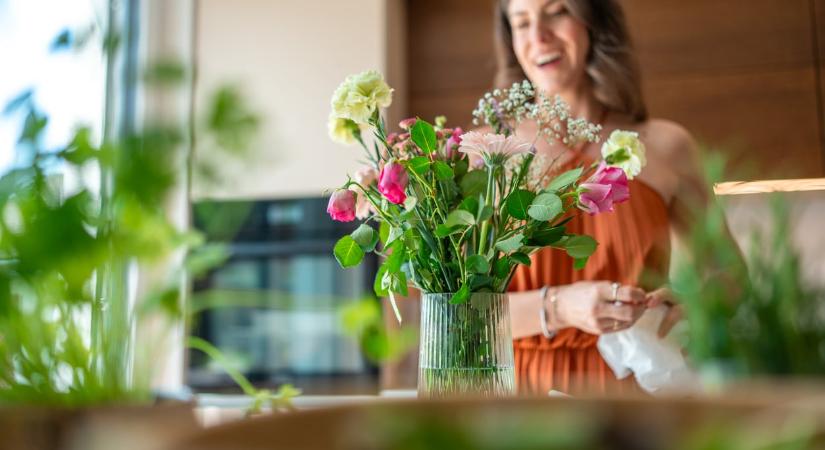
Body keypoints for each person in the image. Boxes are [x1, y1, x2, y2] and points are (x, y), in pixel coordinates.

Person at [494, 0, 708, 395]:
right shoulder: (489, 156)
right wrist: (557, 306)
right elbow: (452, 317)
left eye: (557, 12)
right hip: (520, 403)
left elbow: (726, 272)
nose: (538, 36)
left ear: (595, 21)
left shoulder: (667, 146)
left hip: (640, 393)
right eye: (521, 23)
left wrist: (695, 304)